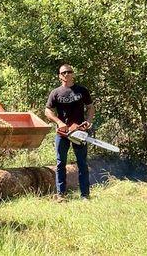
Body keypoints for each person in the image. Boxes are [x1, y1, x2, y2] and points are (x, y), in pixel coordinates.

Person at [45, 64, 95, 200]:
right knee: (60, 163)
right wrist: (59, 122)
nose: (66, 74)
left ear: (73, 74)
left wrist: (88, 121)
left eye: (69, 72)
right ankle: (61, 194)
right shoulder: (55, 93)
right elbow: (47, 111)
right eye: (63, 72)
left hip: (79, 131)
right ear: (59, 76)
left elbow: (90, 107)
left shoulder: (82, 90)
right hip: (62, 133)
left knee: (82, 163)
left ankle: (85, 195)